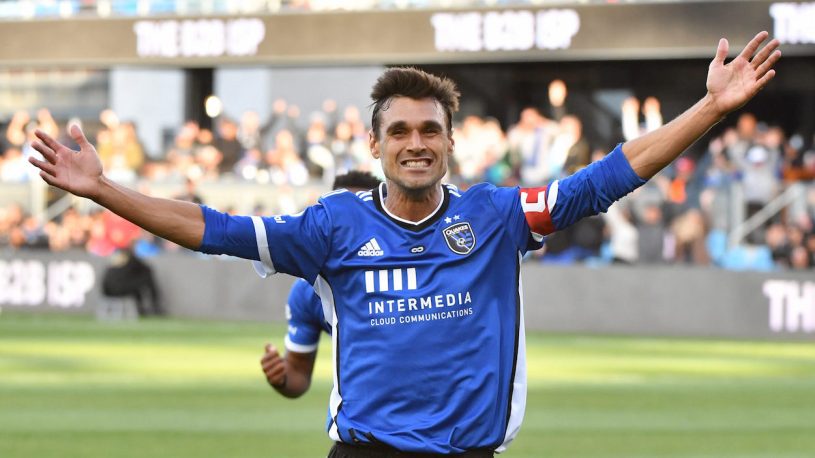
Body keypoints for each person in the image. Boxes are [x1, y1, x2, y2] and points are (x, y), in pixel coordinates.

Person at [28, 32, 780, 456]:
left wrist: (709, 109)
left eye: (429, 130)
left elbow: (603, 179)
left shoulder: (497, 215)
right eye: (399, 131)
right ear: (374, 144)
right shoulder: (331, 227)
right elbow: (215, 229)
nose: (415, 142)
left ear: (450, 142)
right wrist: (105, 189)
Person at [260, 171, 382, 398]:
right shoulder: (307, 292)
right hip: (362, 407)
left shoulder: (415, 271)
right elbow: (298, 373)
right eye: (342, 216)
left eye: (361, 216)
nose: (351, 227)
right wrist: (282, 378)